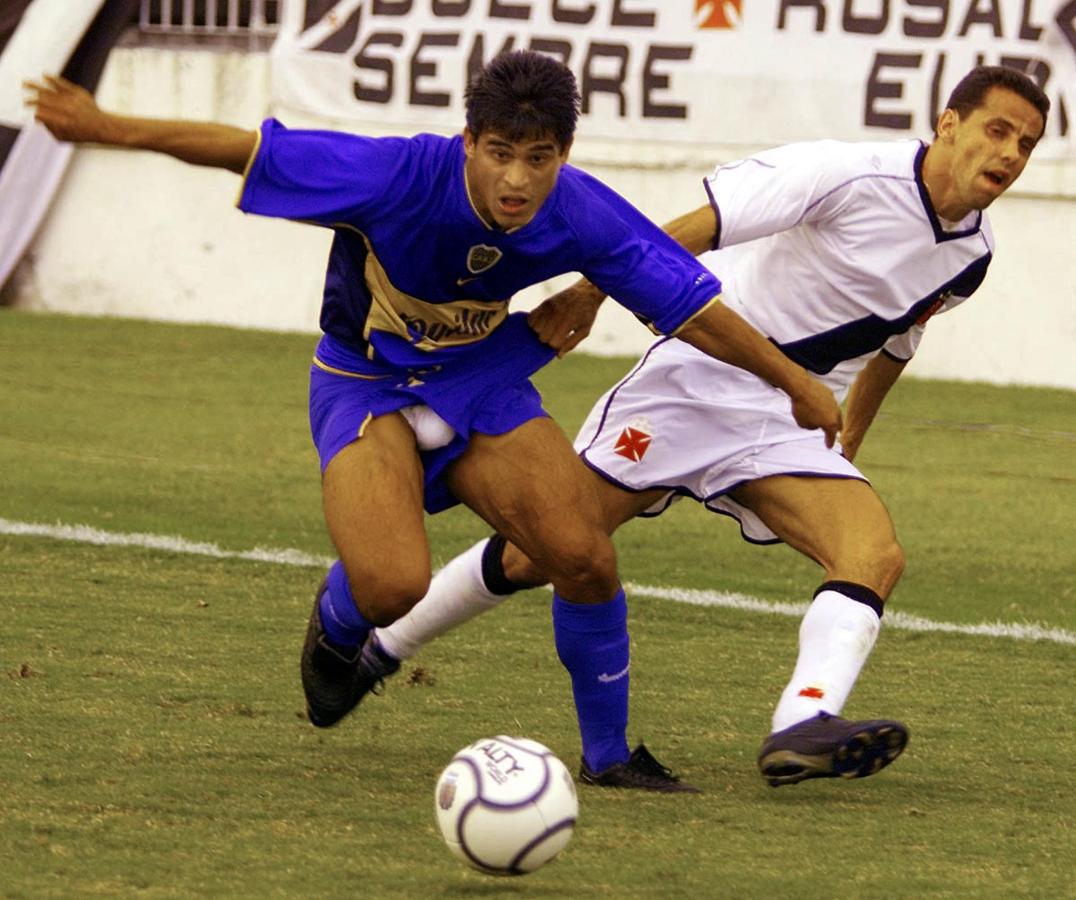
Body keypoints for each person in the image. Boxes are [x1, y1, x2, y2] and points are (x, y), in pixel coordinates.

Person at [25, 50, 841, 792]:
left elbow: (691, 305)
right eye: (500, 153)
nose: (517, 179)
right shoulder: (397, 175)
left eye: (540, 157)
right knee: (391, 586)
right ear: (468, 142)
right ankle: (339, 622)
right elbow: (249, 150)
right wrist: (104, 128)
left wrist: (795, 381)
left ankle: (610, 757)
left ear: (563, 155)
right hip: (364, 384)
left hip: (481, 381)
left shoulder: (581, 210)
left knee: (584, 556)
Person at [367, 65, 1051, 788]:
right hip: (693, 386)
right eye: (997, 130)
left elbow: (896, 342)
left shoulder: (970, 257)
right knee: (544, 553)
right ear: (949, 125)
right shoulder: (847, 173)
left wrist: (851, 438)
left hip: (788, 420)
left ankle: (802, 722)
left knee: (873, 553)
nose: (1009, 154)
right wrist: (593, 290)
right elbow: (681, 236)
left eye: (1027, 144)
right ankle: (381, 647)